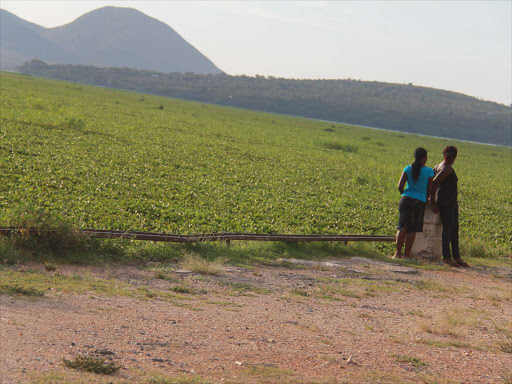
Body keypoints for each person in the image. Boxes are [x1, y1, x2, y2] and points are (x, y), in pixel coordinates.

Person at [431, 146, 469, 267]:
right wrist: (432, 201)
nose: (449, 158)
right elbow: (434, 182)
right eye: (448, 156)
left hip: (449, 202)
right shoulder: (446, 168)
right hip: (446, 202)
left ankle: (456, 257)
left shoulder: (437, 166)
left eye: (451, 157)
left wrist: (432, 199)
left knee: (453, 229)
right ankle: (447, 257)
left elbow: (431, 180)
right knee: (448, 229)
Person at [393, 147, 434, 259]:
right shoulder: (430, 171)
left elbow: (400, 186)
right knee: (412, 229)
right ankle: (406, 255)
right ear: (425, 158)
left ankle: (397, 253)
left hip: (405, 199)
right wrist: (425, 199)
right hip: (419, 201)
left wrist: (405, 194)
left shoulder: (407, 168)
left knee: (402, 227)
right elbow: (429, 189)